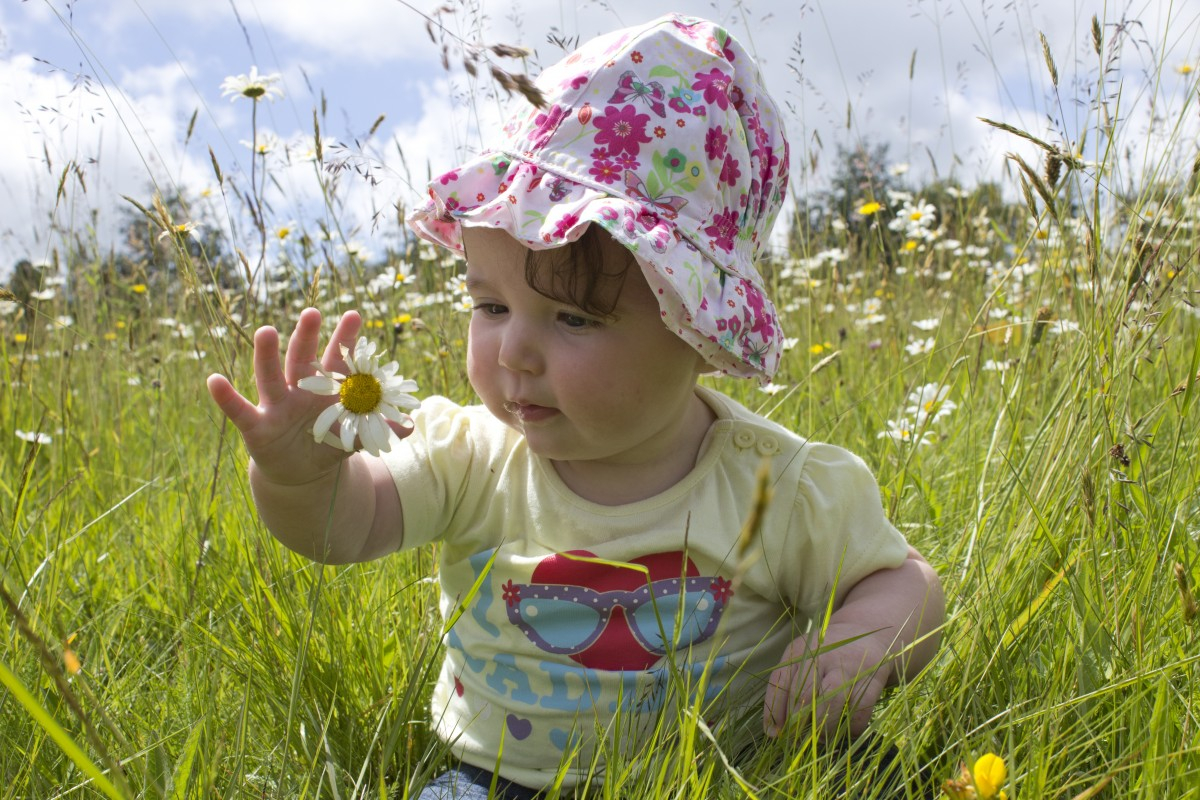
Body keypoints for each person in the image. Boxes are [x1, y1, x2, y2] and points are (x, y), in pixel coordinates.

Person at [207, 13, 944, 798]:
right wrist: (296, 480)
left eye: (575, 317)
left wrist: (861, 649)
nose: (512, 353)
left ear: (697, 329)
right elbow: (346, 527)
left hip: (734, 774)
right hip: (498, 782)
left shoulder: (779, 485)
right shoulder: (470, 455)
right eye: (491, 307)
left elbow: (907, 584)